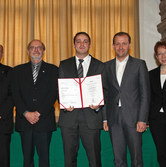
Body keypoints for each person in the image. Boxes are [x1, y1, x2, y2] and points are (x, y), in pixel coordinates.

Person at [103, 32, 150, 167]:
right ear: (113, 46)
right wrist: (105, 118)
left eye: (124, 43)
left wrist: (142, 119)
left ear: (129, 45)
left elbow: (145, 94)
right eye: (117, 44)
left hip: (134, 119)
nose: (121, 47)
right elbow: (105, 94)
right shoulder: (107, 66)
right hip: (114, 119)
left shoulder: (139, 64)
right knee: (118, 160)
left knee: (136, 159)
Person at [58, 32, 105, 167]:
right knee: (69, 160)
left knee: (94, 160)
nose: (82, 44)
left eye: (85, 41)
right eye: (78, 41)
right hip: (68, 119)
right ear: (74, 45)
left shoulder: (100, 65)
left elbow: (105, 90)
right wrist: (63, 103)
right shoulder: (64, 64)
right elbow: (59, 89)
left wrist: (99, 105)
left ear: (89, 44)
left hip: (91, 118)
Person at [12, 39, 58, 167]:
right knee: (27, 159)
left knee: (44, 159)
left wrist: (38, 113)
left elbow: (53, 94)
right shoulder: (17, 71)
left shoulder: (53, 70)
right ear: (28, 51)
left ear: (43, 51)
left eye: (39, 48)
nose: (36, 50)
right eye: (33, 47)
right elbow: (15, 94)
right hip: (24, 121)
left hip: (44, 121)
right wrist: (26, 113)